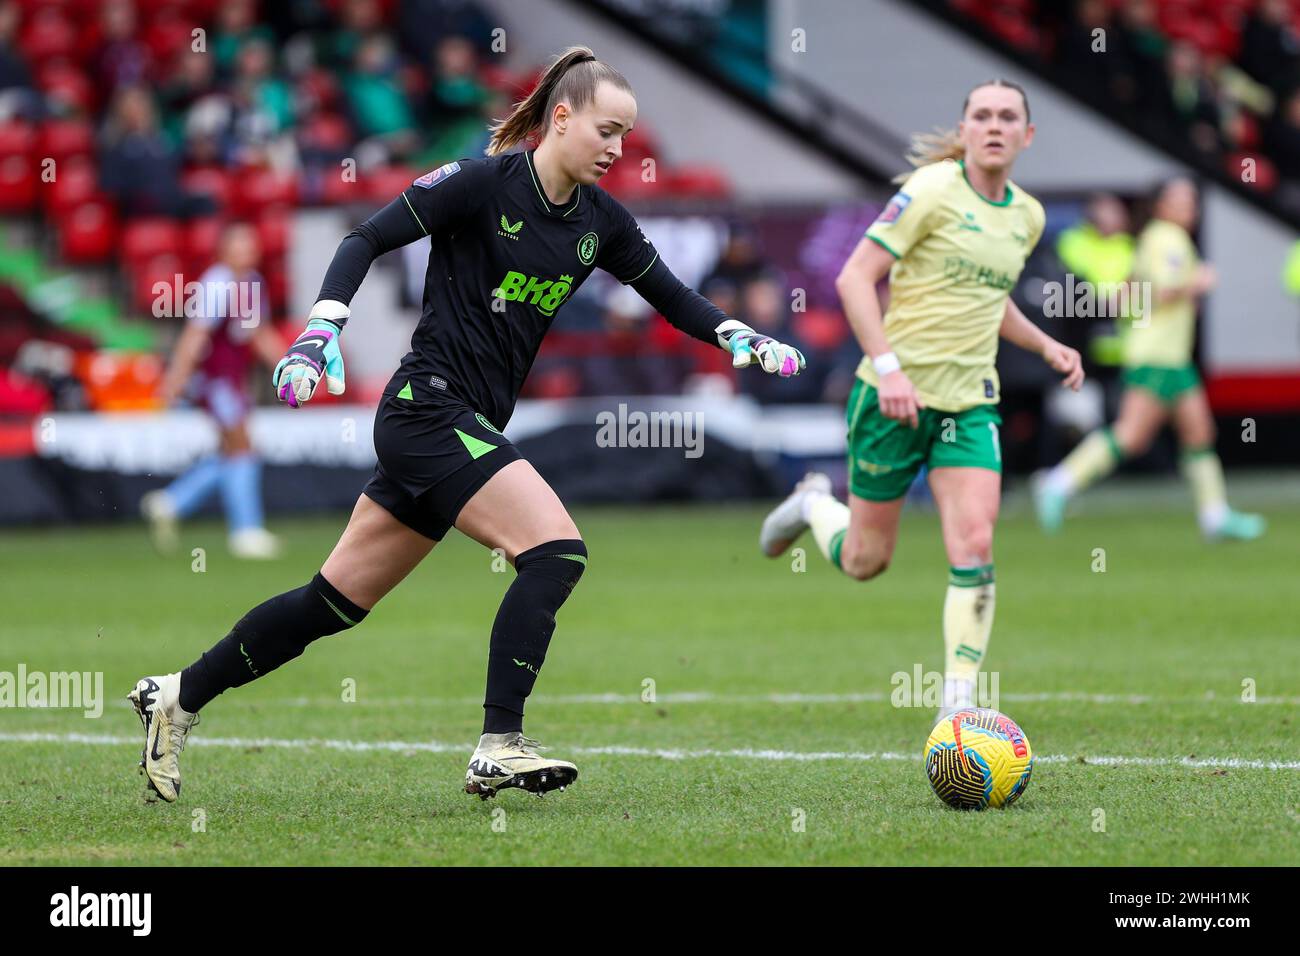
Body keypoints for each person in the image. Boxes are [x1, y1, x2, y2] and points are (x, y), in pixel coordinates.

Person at [127, 47, 806, 803]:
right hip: (428, 409)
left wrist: (737, 334)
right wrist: (320, 333)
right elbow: (364, 239)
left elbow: (673, 297)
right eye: (607, 130)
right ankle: (499, 743)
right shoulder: (482, 182)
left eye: (625, 134)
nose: (619, 149)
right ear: (561, 118)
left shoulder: (601, 222)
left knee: (332, 603)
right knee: (556, 552)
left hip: (463, 424)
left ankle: (177, 695)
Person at [758, 79, 1083, 720]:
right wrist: (890, 368)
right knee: (865, 562)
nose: (993, 126)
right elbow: (855, 278)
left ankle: (956, 706)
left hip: (969, 404)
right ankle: (815, 505)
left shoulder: (1027, 216)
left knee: (975, 543)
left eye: (1007, 117)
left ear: (1027, 135)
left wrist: (1046, 345)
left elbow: (989, 301)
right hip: (891, 398)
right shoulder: (931, 192)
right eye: (981, 116)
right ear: (963, 131)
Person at [1033, 178, 1265, 541]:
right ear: (1161, 205)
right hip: (1157, 355)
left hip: (1169, 356)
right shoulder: (1166, 239)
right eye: (1181, 199)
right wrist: (1198, 282)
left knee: (1198, 432)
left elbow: (1131, 291)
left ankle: (1214, 516)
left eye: (1192, 198)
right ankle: (1058, 483)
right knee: (1131, 436)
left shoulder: (1153, 240)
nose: (1191, 206)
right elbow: (1164, 291)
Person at [141, 222, 286, 560]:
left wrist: (289, 363)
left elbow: (257, 333)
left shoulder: (251, 283)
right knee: (242, 445)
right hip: (216, 381)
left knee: (232, 450)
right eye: (239, 245)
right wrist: (175, 380)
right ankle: (246, 531)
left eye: (250, 244)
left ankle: (172, 502)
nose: (246, 251)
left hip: (233, 379)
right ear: (223, 251)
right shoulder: (217, 283)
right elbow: (196, 335)